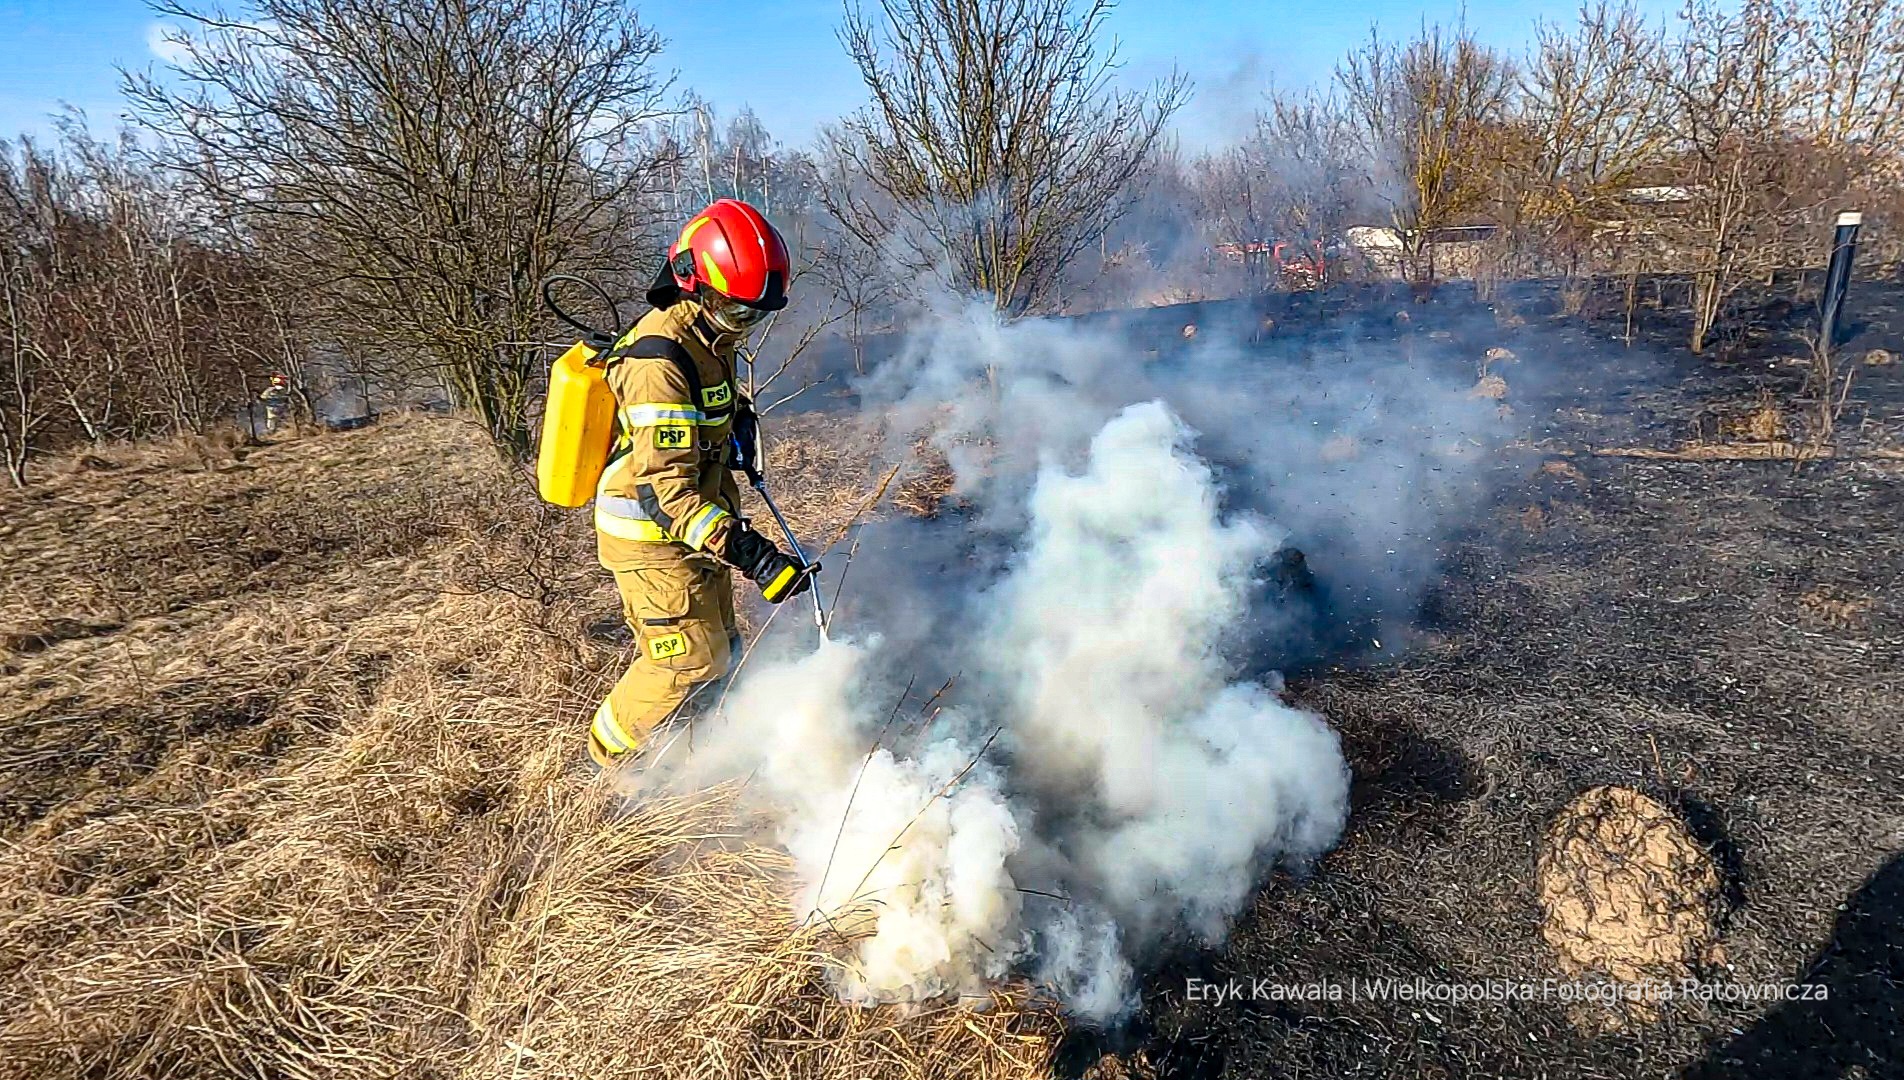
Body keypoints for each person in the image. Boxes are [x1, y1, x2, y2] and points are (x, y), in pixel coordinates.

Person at [586, 198, 816, 769]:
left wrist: (733, 420)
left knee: (722, 646)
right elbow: (665, 493)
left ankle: (705, 753)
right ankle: (609, 768)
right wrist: (751, 552)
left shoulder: (711, 335)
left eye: (755, 315)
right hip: (653, 537)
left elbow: (708, 404)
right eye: (737, 312)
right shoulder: (657, 364)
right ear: (693, 281)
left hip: (698, 525)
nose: (744, 325)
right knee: (681, 661)